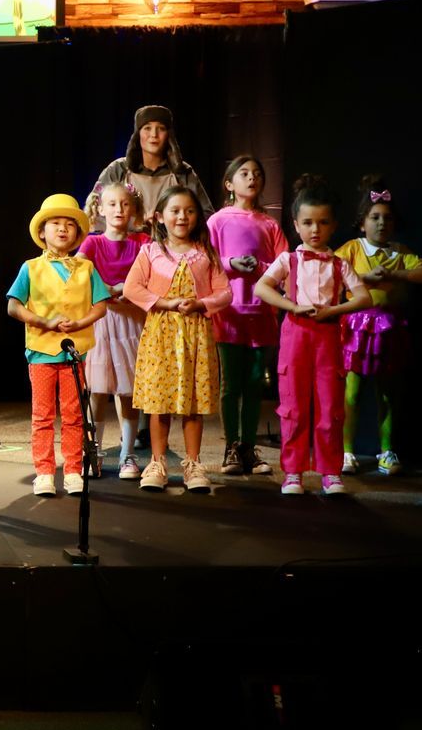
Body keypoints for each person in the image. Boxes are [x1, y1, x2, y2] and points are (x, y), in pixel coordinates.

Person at [254, 175, 373, 496]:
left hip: (328, 337)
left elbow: (364, 298)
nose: (315, 229)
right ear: (296, 225)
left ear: (334, 226)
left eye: (322, 222)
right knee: (293, 405)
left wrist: (333, 310)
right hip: (296, 335)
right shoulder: (289, 260)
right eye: (307, 223)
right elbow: (262, 287)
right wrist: (291, 306)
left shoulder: (339, 264)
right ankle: (293, 471)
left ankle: (330, 472)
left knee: (329, 407)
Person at [124, 187, 230, 493]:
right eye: (175, 210)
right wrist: (165, 302)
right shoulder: (151, 252)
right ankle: (157, 462)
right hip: (161, 335)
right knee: (159, 402)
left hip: (195, 334)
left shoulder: (205, 253)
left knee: (192, 402)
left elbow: (225, 292)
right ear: (160, 217)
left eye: (189, 211)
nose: (182, 216)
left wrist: (201, 303)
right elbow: (132, 288)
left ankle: (193, 464)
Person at [5, 194, 105, 496]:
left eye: (69, 225)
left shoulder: (86, 268)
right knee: (43, 415)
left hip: (74, 353)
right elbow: (13, 305)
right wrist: (43, 321)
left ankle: (73, 470)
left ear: (77, 233)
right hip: (41, 351)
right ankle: (45, 472)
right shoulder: (31, 267)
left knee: (74, 414)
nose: (62, 229)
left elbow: (101, 305)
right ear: (42, 231)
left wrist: (82, 321)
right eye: (55, 223)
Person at [336, 176, 422, 476]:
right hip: (357, 328)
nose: (381, 223)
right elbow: (331, 274)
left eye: (387, 218)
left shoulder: (400, 252)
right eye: (375, 217)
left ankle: (386, 450)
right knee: (351, 393)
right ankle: (346, 451)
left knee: (388, 394)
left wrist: (396, 275)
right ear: (362, 223)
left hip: (389, 329)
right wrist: (364, 279)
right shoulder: (353, 249)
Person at [207, 155, 285, 477]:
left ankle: (248, 448)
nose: (251, 178)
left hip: (262, 312)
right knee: (230, 384)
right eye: (244, 173)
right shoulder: (218, 221)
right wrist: (231, 264)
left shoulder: (270, 224)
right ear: (229, 183)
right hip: (229, 313)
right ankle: (231, 447)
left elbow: (284, 264)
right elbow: (206, 262)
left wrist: (260, 267)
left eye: (256, 174)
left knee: (254, 383)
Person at [80, 181, 147, 478]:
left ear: (133, 209)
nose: (119, 209)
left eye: (124, 204)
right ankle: (93, 452)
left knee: (128, 390)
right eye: (112, 204)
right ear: (101, 209)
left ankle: (127, 454)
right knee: (97, 389)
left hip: (132, 321)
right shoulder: (93, 243)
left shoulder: (142, 242)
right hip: (101, 319)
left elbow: (150, 272)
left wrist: (125, 288)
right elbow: (79, 270)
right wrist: (104, 286)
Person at [91, 104, 214, 229]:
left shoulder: (182, 172)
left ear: (169, 135)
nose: (154, 134)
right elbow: (94, 211)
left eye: (161, 128)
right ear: (138, 134)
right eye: (147, 128)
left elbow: (207, 215)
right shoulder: (118, 170)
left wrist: (168, 222)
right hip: (125, 240)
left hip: (171, 240)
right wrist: (134, 224)